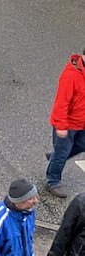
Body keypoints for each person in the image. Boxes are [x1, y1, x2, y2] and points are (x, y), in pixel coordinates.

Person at [45, 51, 85, 198]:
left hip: (82, 122)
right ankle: (52, 181)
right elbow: (61, 104)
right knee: (62, 154)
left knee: (82, 145)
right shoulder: (71, 75)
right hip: (67, 123)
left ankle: (55, 156)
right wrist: (61, 126)